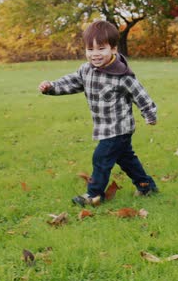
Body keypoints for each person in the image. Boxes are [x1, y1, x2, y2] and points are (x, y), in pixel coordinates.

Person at [38, 20, 158, 207]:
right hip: (104, 126)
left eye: (101, 49)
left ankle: (94, 195)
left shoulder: (122, 76)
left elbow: (139, 94)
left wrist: (149, 113)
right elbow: (71, 82)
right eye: (90, 49)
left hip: (119, 128)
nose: (95, 54)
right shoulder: (86, 70)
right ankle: (146, 186)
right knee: (126, 159)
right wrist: (51, 87)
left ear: (113, 49)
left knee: (101, 157)